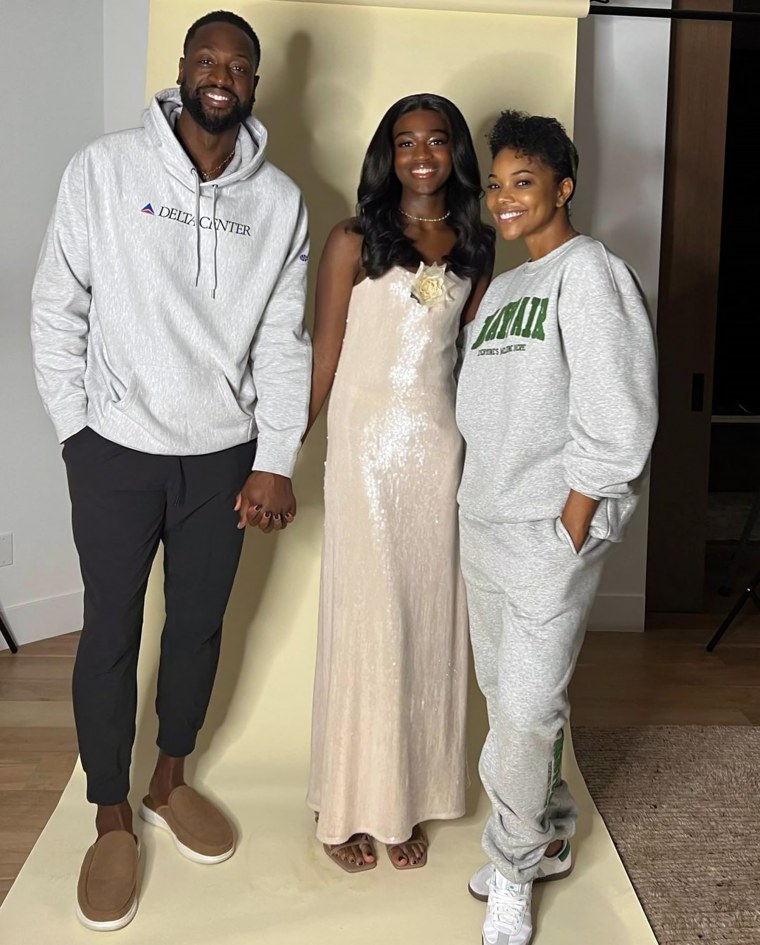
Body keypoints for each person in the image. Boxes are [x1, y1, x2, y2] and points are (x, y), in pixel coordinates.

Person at [31, 10, 311, 931]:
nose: (221, 74)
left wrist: (275, 456)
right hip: (113, 448)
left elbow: (284, 339)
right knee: (109, 630)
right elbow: (55, 303)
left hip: (223, 455)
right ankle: (109, 810)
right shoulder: (105, 170)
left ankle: (169, 778)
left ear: (255, 85)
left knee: (196, 626)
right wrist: (77, 431)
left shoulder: (281, 203)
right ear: (182, 69)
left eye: (238, 64)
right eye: (207, 58)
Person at [456, 111, 658, 944]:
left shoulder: (592, 273)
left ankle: (511, 868)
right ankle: (551, 831)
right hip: (483, 523)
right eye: (497, 184)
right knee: (509, 703)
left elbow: (617, 410)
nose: (504, 199)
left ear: (562, 188)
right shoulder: (504, 289)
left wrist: (574, 522)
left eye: (523, 182)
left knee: (530, 709)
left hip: (546, 532)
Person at [306, 93, 494, 872]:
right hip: (362, 448)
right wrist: (278, 456)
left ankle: (404, 797)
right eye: (406, 140)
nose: (422, 154)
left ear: (455, 153)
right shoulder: (354, 239)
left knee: (424, 620)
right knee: (368, 618)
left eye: (437, 140)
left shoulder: (478, 247)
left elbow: (477, 367)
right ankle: (347, 804)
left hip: (435, 450)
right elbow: (324, 355)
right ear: (389, 152)